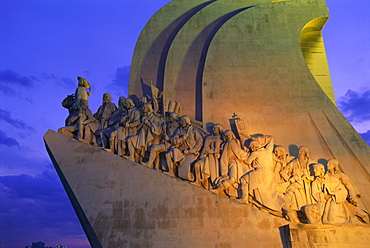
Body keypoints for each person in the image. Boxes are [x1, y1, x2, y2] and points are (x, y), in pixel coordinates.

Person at [239, 136, 289, 214]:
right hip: (270, 174)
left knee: (244, 179)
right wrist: (259, 139)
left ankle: (244, 198)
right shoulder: (268, 151)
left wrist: (248, 153)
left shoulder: (255, 153)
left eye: (251, 147)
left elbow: (247, 162)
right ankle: (282, 207)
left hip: (260, 172)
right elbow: (271, 139)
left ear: (253, 146)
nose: (251, 149)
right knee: (271, 193)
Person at [327, 159, 369, 223]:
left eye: (329, 164)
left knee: (360, 213)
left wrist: (352, 196)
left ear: (334, 166)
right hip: (331, 198)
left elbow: (350, 188)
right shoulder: (326, 176)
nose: (327, 165)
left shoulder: (341, 176)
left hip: (342, 198)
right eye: (328, 163)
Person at [165, 115, 203, 180]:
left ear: (186, 121)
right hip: (180, 151)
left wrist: (193, 150)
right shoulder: (179, 130)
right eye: (181, 121)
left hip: (191, 152)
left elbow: (200, 141)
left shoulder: (193, 131)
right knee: (168, 154)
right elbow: (174, 140)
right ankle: (171, 171)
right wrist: (172, 139)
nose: (181, 122)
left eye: (182, 121)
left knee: (184, 171)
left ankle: (191, 177)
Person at [212, 130, 249, 198]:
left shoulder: (229, 143)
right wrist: (248, 154)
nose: (228, 137)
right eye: (226, 136)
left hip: (232, 163)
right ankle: (220, 188)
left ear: (232, 135)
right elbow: (239, 153)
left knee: (234, 180)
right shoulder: (230, 143)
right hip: (232, 163)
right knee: (233, 179)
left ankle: (221, 188)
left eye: (229, 135)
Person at [280, 146, 315, 212]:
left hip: (307, 185)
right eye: (299, 151)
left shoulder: (312, 162)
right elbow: (283, 172)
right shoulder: (294, 162)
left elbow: (316, 175)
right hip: (296, 183)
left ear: (305, 153)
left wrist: (308, 177)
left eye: (301, 151)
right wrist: (289, 179)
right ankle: (296, 211)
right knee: (293, 192)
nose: (299, 152)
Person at [192, 124, 224, 189]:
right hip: (209, 157)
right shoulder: (209, 138)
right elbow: (205, 149)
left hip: (220, 159)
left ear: (219, 129)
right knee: (197, 165)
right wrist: (212, 151)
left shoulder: (222, 138)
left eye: (215, 128)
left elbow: (225, 149)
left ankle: (216, 185)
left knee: (217, 173)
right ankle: (198, 181)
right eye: (213, 128)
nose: (213, 129)